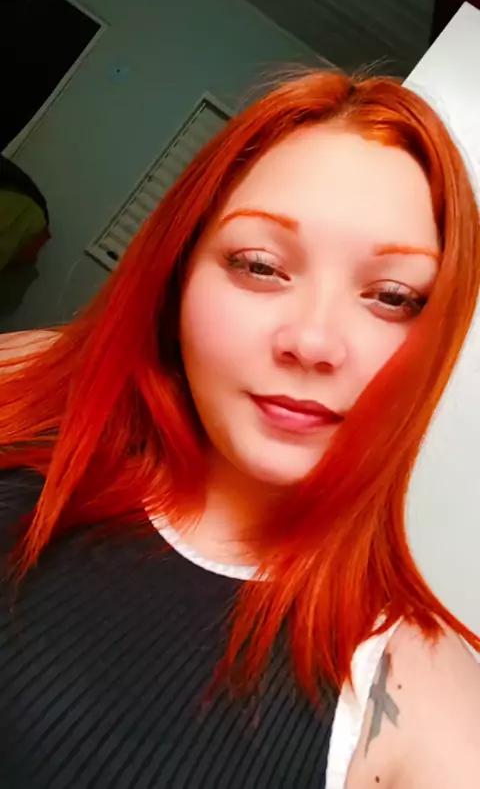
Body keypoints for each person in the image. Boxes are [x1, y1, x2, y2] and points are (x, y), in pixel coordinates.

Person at [0, 70, 479, 789]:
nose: (313, 342)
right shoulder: (18, 392)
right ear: (180, 270)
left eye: (391, 296)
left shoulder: (426, 703)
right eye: (260, 266)